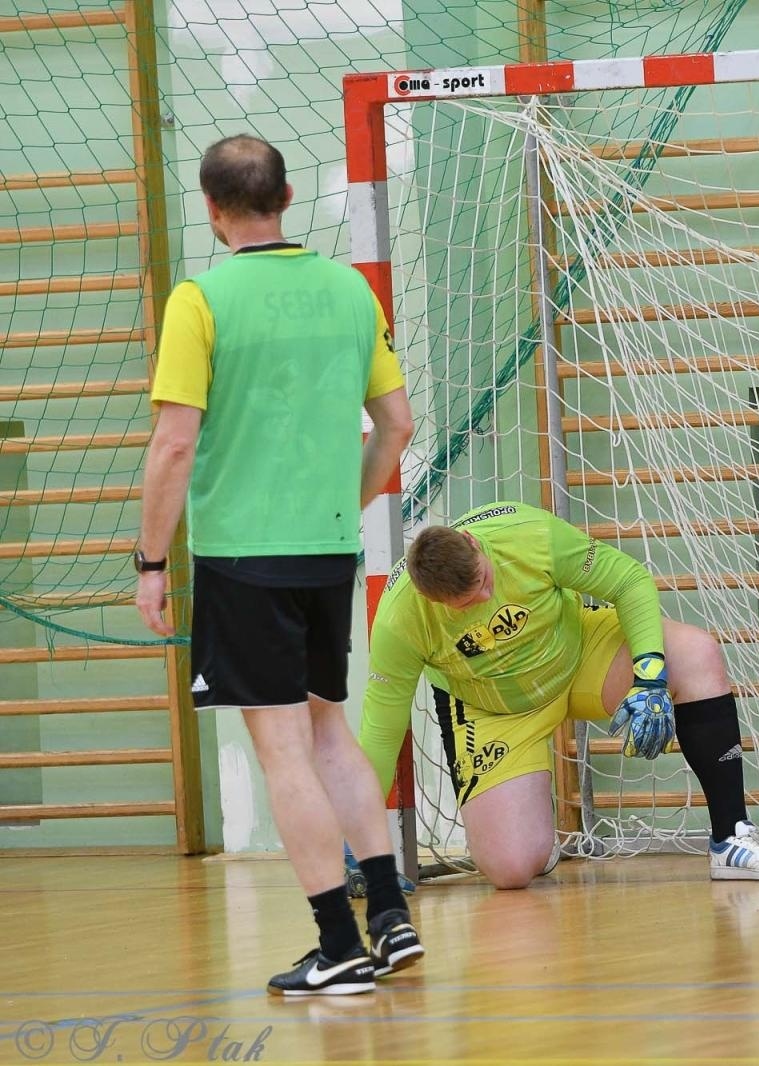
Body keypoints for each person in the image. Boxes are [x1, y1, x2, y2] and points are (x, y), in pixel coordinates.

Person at [134, 134, 424, 995]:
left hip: (242, 558)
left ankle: (337, 947)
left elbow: (174, 447)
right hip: (330, 549)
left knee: (284, 750)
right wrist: (345, 502)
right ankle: (391, 918)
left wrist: (151, 560)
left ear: (212, 207)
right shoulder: (349, 288)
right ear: (288, 196)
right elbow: (397, 424)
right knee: (328, 730)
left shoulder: (202, 300)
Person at [359, 500, 759, 888]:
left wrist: (650, 676)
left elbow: (629, 580)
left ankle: (730, 839)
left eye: (485, 579)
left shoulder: (528, 534)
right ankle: (535, 833)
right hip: (493, 708)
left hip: (578, 656)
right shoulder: (401, 620)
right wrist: (354, 833)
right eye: (470, 601)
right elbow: (381, 730)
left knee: (694, 653)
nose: (487, 594)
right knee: (511, 870)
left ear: (474, 544)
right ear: (433, 601)